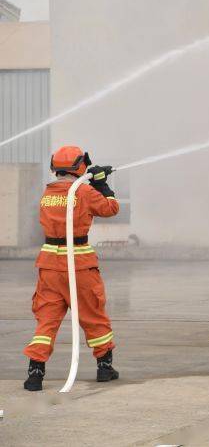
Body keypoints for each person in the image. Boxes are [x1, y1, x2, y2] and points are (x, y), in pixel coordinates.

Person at [23, 146, 120, 391]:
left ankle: (35, 372)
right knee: (93, 316)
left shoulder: (47, 194)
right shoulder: (84, 191)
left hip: (49, 267)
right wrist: (103, 185)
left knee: (46, 319)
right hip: (79, 266)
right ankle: (104, 367)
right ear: (80, 166)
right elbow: (111, 208)